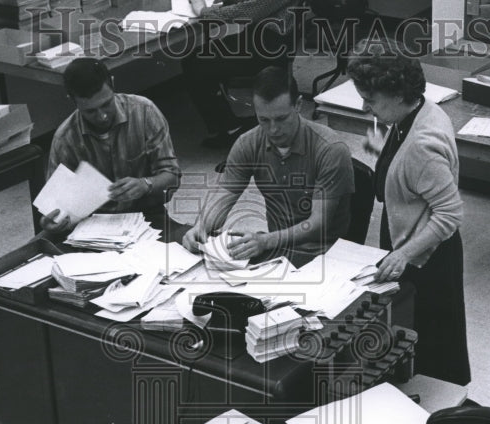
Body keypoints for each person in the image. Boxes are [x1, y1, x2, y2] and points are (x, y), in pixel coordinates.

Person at [346, 38, 471, 386]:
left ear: (398, 94)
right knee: (410, 338)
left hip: (425, 255)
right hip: (411, 237)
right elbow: (390, 150)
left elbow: (449, 213)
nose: (364, 107)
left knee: (429, 348)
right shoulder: (419, 110)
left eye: (371, 100)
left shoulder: (422, 146)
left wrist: (403, 254)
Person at [181, 66, 354, 267]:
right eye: (263, 119)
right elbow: (224, 195)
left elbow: (318, 225)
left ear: (298, 105)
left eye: (281, 119)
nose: (273, 130)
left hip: (323, 254)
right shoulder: (248, 143)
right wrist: (201, 226)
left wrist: (265, 241)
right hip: (276, 249)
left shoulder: (331, 149)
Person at [183, 0, 306, 148]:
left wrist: (205, 12)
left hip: (268, 45)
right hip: (260, 35)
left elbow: (251, 11)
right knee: (196, 59)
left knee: (195, 63)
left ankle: (230, 128)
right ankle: (227, 122)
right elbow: (261, 0)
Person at [41, 57, 186, 241]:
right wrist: (55, 221)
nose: (101, 116)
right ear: (72, 100)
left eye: (106, 104)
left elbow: (172, 176)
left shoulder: (144, 112)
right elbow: (57, 206)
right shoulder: (65, 139)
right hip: (92, 227)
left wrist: (145, 185)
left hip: (148, 218)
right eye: (90, 111)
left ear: (113, 84)